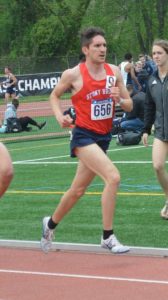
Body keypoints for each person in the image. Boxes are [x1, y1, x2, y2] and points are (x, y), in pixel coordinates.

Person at [41, 27, 133, 254]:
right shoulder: (73, 74)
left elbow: (130, 105)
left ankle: (49, 224)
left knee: (77, 190)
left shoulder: (114, 72)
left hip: (103, 137)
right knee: (113, 177)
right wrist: (59, 115)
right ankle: (107, 236)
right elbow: (54, 96)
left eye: (104, 45)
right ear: (86, 49)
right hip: (82, 136)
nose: (103, 49)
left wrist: (119, 98)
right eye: (97, 46)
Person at [142, 39, 168, 220]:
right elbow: (149, 107)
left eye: (159, 53)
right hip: (161, 131)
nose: (156, 56)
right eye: (154, 54)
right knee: (158, 166)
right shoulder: (151, 80)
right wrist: (145, 129)